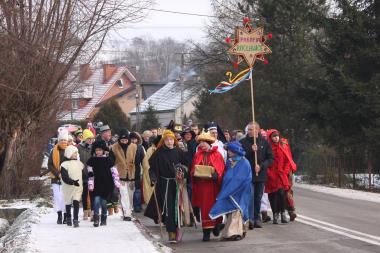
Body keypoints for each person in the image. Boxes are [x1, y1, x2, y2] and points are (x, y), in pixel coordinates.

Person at [145, 130, 190, 243]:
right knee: (169, 209)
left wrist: (183, 170)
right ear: (163, 141)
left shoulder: (179, 151)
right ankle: (171, 234)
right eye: (167, 140)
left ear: (174, 140)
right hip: (165, 184)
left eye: (171, 139)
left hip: (178, 184)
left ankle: (178, 230)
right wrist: (153, 178)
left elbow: (186, 166)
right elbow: (152, 169)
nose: (169, 142)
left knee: (178, 209)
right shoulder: (159, 153)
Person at [209, 141, 252, 241]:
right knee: (231, 211)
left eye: (231, 151)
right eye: (228, 150)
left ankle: (235, 233)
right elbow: (226, 175)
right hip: (229, 190)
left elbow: (241, 179)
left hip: (240, 191)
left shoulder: (244, 162)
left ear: (236, 151)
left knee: (237, 211)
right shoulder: (229, 161)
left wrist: (231, 189)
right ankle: (232, 232)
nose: (229, 152)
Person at [191, 131, 225, 242]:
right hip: (203, 186)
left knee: (215, 207)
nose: (202, 144)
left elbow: (221, 169)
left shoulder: (217, 154)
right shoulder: (197, 155)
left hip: (213, 186)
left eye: (204, 142)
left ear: (209, 143)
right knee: (205, 209)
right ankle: (206, 232)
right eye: (201, 142)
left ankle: (217, 226)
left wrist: (217, 175)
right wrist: (194, 175)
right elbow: (193, 169)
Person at [240, 122, 274, 229]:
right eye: (248, 129)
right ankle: (250, 218)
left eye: (251, 129)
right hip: (248, 174)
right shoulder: (243, 142)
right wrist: (251, 150)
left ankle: (257, 218)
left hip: (260, 175)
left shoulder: (264, 142)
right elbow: (240, 156)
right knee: (250, 196)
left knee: (258, 197)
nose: (249, 131)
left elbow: (270, 159)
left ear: (257, 130)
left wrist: (262, 166)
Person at [109, 129, 142, 221]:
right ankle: (126, 214)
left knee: (130, 195)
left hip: (131, 174)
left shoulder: (134, 147)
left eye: (126, 140)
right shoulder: (114, 147)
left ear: (128, 139)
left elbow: (137, 162)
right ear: (119, 139)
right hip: (120, 174)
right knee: (124, 195)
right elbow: (111, 161)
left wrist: (137, 175)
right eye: (122, 140)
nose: (124, 142)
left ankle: (129, 211)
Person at [266, 129, 297, 224]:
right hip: (271, 175)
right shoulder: (267, 147)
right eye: (274, 136)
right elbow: (265, 160)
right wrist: (268, 172)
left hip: (281, 174)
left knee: (281, 193)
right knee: (272, 195)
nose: (276, 138)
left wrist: (286, 170)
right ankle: (275, 214)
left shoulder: (282, 146)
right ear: (270, 138)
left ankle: (283, 213)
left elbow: (287, 159)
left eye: (277, 136)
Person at [87, 140, 120, 227]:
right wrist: (90, 182)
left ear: (104, 150)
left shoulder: (108, 160)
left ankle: (104, 217)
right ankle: (96, 218)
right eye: (96, 150)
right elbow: (90, 172)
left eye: (100, 150)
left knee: (104, 203)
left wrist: (116, 182)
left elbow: (114, 172)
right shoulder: (92, 160)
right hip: (96, 184)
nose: (98, 152)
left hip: (106, 184)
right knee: (96, 201)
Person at [46, 129, 69, 224]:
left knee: (65, 197)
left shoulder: (70, 150)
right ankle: (59, 215)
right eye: (61, 140)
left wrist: (64, 174)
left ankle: (65, 216)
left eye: (65, 140)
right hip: (56, 178)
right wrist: (57, 174)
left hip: (66, 178)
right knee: (57, 197)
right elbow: (50, 164)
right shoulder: (54, 150)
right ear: (59, 140)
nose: (63, 141)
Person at [60, 145, 84, 227]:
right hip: (68, 187)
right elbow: (64, 177)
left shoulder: (80, 164)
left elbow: (84, 174)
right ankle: (69, 218)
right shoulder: (64, 165)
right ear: (69, 153)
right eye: (75, 153)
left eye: (76, 153)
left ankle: (76, 219)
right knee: (68, 202)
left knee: (76, 201)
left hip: (78, 187)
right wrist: (72, 182)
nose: (76, 154)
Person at [78, 129, 95, 221]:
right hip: (82, 174)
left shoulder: (93, 148)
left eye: (92, 139)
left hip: (92, 174)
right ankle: (85, 211)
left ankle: (92, 212)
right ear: (84, 139)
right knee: (84, 194)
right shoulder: (79, 148)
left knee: (92, 194)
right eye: (89, 138)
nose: (91, 140)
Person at [128, 132, 145, 213]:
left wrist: (144, 170)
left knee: (137, 189)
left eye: (135, 139)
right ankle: (129, 205)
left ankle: (137, 205)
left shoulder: (140, 148)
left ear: (137, 140)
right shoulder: (127, 147)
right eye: (132, 139)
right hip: (128, 171)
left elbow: (143, 160)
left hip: (137, 170)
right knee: (129, 189)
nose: (133, 141)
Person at [142, 135, 161, 204]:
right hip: (152, 173)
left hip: (162, 174)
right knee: (152, 191)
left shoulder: (164, 149)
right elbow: (146, 163)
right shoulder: (151, 150)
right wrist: (150, 173)